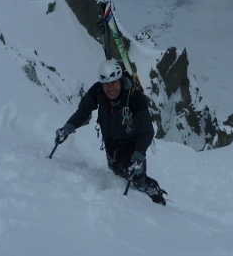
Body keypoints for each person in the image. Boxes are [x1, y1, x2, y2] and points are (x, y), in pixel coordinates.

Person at [55, 59, 167, 205]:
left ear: (120, 81)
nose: (110, 88)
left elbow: (146, 131)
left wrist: (139, 155)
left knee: (137, 179)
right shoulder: (98, 91)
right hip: (110, 142)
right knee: (117, 172)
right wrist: (68, 128)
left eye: (114, 83)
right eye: (106, 84)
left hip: (132, 145)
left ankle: (155, 194)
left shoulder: (134, 98)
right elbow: (83, 111)